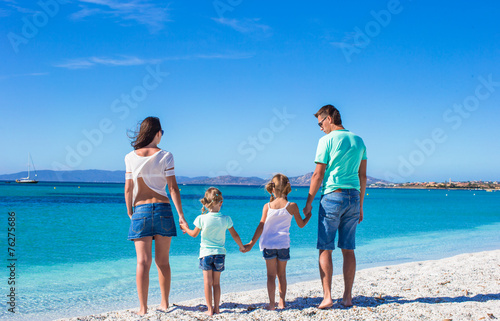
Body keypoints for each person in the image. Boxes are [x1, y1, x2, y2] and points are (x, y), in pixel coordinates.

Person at [303, 104, 367, 309]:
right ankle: (347, 297)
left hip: (332, 196)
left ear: (329, 118)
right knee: (348, 249)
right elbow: (362, 176)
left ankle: (328, 296)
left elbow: (318, 175)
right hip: (354, 197)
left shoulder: (326, 140)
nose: (320, 128)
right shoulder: (359, 140)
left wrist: (308, 203)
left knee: (325, 248)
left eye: (320, 123)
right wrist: (361, 206)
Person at [124, 116, 187, 315]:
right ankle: (164, 304)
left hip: (140, 210)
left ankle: (142, 308)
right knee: (163, 261)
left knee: (142, 262)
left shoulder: (130, 157)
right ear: (157, 133)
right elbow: (173, 188)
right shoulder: (166, 155)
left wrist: (130, 211)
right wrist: (181, 215)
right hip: (163, 209)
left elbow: (128, 188)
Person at [244, 174, 312, 310]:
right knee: (282, 275)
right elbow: (301, 224)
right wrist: (309, 215)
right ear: (287, 188)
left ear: (272, 189)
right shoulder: (292, 206)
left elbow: (261, 226)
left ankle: (271, 304)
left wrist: (251, 243)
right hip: (283, 245)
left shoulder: (267, 206)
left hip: (268, 245)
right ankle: (282, 302)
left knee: (270, 276)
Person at [180, 187, 245, 316]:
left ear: (205, 203)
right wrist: (242, 247)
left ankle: (209, 310)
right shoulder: (226, 219)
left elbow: (193, 234)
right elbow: (235, 235)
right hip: (220, 254)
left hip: (205, 254)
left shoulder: (201, 218)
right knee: (216, 283)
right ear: (221, 203)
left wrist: (185, 228)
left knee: (207, 283)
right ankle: (217, 308)